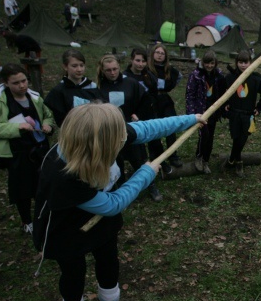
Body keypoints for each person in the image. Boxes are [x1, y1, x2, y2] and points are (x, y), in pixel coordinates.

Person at [33, 103, 205, 301]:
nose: (124, 138)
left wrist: (191, 119)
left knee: (108, 259)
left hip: (102, 222)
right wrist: (145, 175)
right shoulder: (63, 176)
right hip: (66, 230)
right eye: (119, 137)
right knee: (73, 272)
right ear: (100, 145)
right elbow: (113, 203)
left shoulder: (106, 135)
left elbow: (146, 129)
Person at [0, 63, 54, 234]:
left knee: (43, 184)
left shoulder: (35, 97)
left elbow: (47, 115)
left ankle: (45, 216)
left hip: (39, 149)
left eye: (24, 81)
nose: (22, 86)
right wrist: (16, 128)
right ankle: (27, 221)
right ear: (5, 83)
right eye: (16, 83)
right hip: (16, 153)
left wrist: (48, 124)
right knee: (22, 189)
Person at [97, 54, 162, 202]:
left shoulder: (131, 83)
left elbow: (145, 101)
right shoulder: (98, 87)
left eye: (115, 69)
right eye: (108, 70)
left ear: (119, 67)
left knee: (139, 158)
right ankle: (120, 188)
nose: (112, 73)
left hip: (130, 128)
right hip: (110, 131)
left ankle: (151, 185)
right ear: (102, 70)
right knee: (116, 160)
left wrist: (137, 114)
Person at [222, 50, 261, 177]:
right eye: (240, 62)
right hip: (234, 114)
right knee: (236, 138)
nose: (243, 65)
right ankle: (239, 163)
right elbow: (222, 92)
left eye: (246, 62)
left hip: (248, 115)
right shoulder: (230, 77)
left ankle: (231, 159)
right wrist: (225, 103)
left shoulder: (255, 79)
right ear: (236, 63)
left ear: (250, 63)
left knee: (242, 139)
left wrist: (258, 108)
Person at [185, 50, 226, 174]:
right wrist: (191, 113)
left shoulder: (218, 75)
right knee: (204, 135)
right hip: (200, 111)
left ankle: (206, 160)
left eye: (212, 63)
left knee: (211, 136)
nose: (209, 66)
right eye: (207, 63)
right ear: (203, 62)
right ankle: (199, 157)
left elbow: (224, 91)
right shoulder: (196, 75)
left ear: (215, 63)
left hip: (213, 110)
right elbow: (190, 94)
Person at [147, 43, 184, 173]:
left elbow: (179, 77)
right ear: (153, 54)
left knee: (170, 127)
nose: (160, 55)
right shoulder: (147, 69)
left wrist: (170, 86)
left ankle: (173, 156)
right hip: (152, 100)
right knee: (155, 127)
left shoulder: (169, 69)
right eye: (157, 52)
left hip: (164, 100)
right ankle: (157, 156)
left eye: (162, 53)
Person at [44, 49, 102, 128]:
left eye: (81, 65)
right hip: (71, 133)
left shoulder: (92, 87)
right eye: (74, 66)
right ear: (65, 66)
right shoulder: (59, 91)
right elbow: (61, 119)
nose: (79, 69)